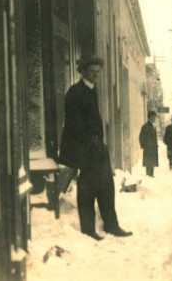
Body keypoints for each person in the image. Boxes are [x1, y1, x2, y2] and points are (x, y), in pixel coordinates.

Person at [58, 57, 132, 241]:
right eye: (92, 71)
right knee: (87, 189)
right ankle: (88, 229)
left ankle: (111, 225)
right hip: (83, 149)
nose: (96, 75)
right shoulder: (75, 92)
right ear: (82, 71)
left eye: (98, 72)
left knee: (106, 186)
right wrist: (91, 143)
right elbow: (74, 125)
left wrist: (99, 143)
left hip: (96, 147)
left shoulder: (91, 90)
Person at [139, 111, 159, 177]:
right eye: (153, 117)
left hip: (152, 148)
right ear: (150, 117)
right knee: (149, 163)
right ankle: (149, 175)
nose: (154, 119)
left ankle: (151, 175)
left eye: (155, 117)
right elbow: (141, 136)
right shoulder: (145, 126)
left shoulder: (153, 126)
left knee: (151, 163)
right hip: (148, 148)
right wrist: (143, 145)